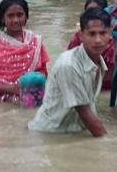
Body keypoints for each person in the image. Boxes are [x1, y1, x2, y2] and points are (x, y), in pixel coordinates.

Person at [28, 8, 111, 136]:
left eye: (102, 33)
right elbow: (84, 111)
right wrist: (109, 143)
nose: (98, 40)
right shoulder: (69, 65)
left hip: (72, 131)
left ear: (110, 34)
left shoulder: (98, 62)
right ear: (81, 36)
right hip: (50, 133)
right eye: (92, 34)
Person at [0, 0, 50, 102]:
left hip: (31, 99)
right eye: (10, 16)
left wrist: (31, 84)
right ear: (2, 18)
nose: (16, 20)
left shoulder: (35, 41)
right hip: (1, 103)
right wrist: (13, 89)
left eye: (20, 15)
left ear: (26, 16)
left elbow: (43, 72)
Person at [65, 0, 117, 91]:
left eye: (96, 12)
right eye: (89, 12)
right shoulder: (78, 38)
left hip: (107, 86)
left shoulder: (113, 41)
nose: (98, 40)